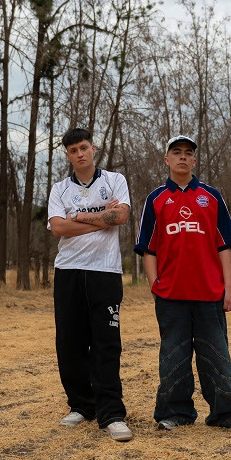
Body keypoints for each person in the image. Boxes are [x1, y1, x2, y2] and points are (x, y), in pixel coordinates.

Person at [134, 134, 231, 433]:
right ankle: (175, 412)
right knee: (174, 356)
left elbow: (224, 245)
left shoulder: (211, 197)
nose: (182, 157)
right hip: (171, 295)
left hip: (209, 293)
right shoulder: (156, 199)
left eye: (188, 153)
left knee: (216, 355)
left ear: (194, 160)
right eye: (177, 152)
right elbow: (149, 249)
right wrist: (154, 285)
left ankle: (227, 413)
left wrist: (229, 288)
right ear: (167, 160)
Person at [47, 128, 133, 442]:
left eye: (84, 147)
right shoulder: (59, 188)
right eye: (73, 150)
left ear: (93, 148)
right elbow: (58, 227)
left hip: (105, 272)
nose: (80, 154)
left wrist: (80, 218)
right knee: (69, 343)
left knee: (106, 344)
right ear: (67, 155)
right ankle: (82, 405)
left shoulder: (115, 180)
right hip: (68, 272)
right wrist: (100, 215)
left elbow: (121, 217)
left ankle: (111, 413)